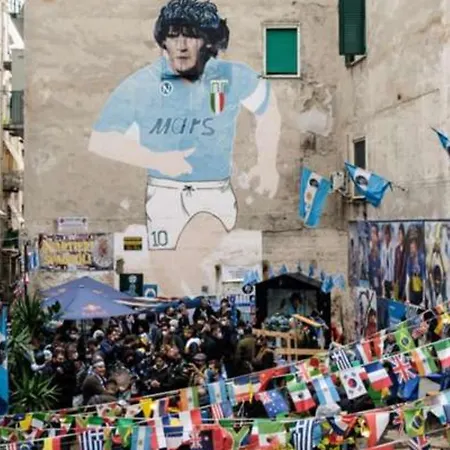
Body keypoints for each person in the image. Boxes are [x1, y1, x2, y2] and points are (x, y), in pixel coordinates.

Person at [88, 0, 280, 253]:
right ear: (163, 41)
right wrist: (157, 159)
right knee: (169, 266)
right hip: (165, 191)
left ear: (207, 41)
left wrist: (267, 164)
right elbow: (101, 139)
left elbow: (268, 106)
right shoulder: (143, 83)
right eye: (173, 35)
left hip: (215, 190)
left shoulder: (230, 75)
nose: (181, 45)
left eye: (191, 35)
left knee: (213, 263)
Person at [380, 224, 395, 299]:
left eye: (388, 234)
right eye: (385, 234)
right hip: (385, 277)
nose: (386, 236)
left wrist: (393, 279)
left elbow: (393, 264)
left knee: (392, 297)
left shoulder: (393, 246)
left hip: (392, 277)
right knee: (386, 296)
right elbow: (382, 264)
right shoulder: (383, 247)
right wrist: (382, 279)